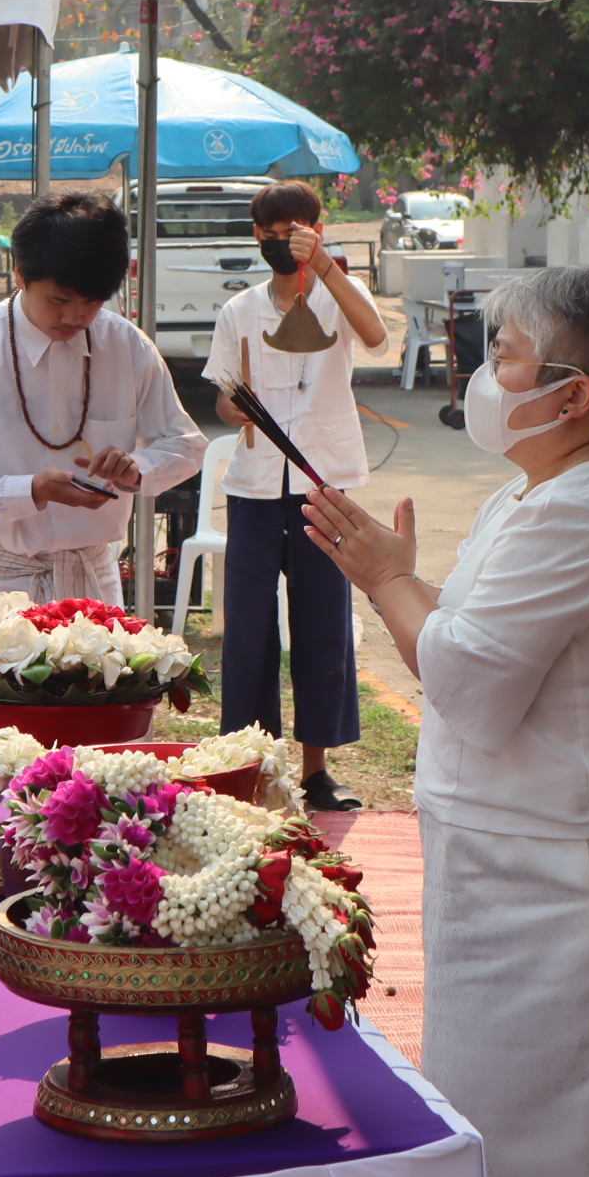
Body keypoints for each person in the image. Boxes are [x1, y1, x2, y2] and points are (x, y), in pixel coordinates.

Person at [300, 266, 589, 1177]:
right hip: (528, 862)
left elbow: (466, 679)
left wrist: (386, 580)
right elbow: (470, 638)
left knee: (577, 1144)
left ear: (574, 395)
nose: (482, 381)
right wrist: (402, 582)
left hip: (576, 884)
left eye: (502, 359)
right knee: (502, 1117)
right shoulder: (540, 494)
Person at [0, 193, 205, 604]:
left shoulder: (127, 347)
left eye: (92, 302)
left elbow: (187, 446)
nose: (76, 317)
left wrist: (137, 469)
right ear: (19, 275)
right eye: (59, 300)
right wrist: (29, 490)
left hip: (93, 583)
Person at [207, 179, 387, 813]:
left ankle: (316, 771)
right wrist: (236, 406)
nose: (283, 240)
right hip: (254, 485)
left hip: (323, 482)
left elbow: (375, 337)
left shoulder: (338, 295)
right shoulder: (240, 311)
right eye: (271, 231)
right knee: (249, 632)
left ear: (317, 226)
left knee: (323, 625)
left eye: (296, 229)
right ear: (257, 236)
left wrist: (328, 266)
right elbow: (222, 394)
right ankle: (252, 766)